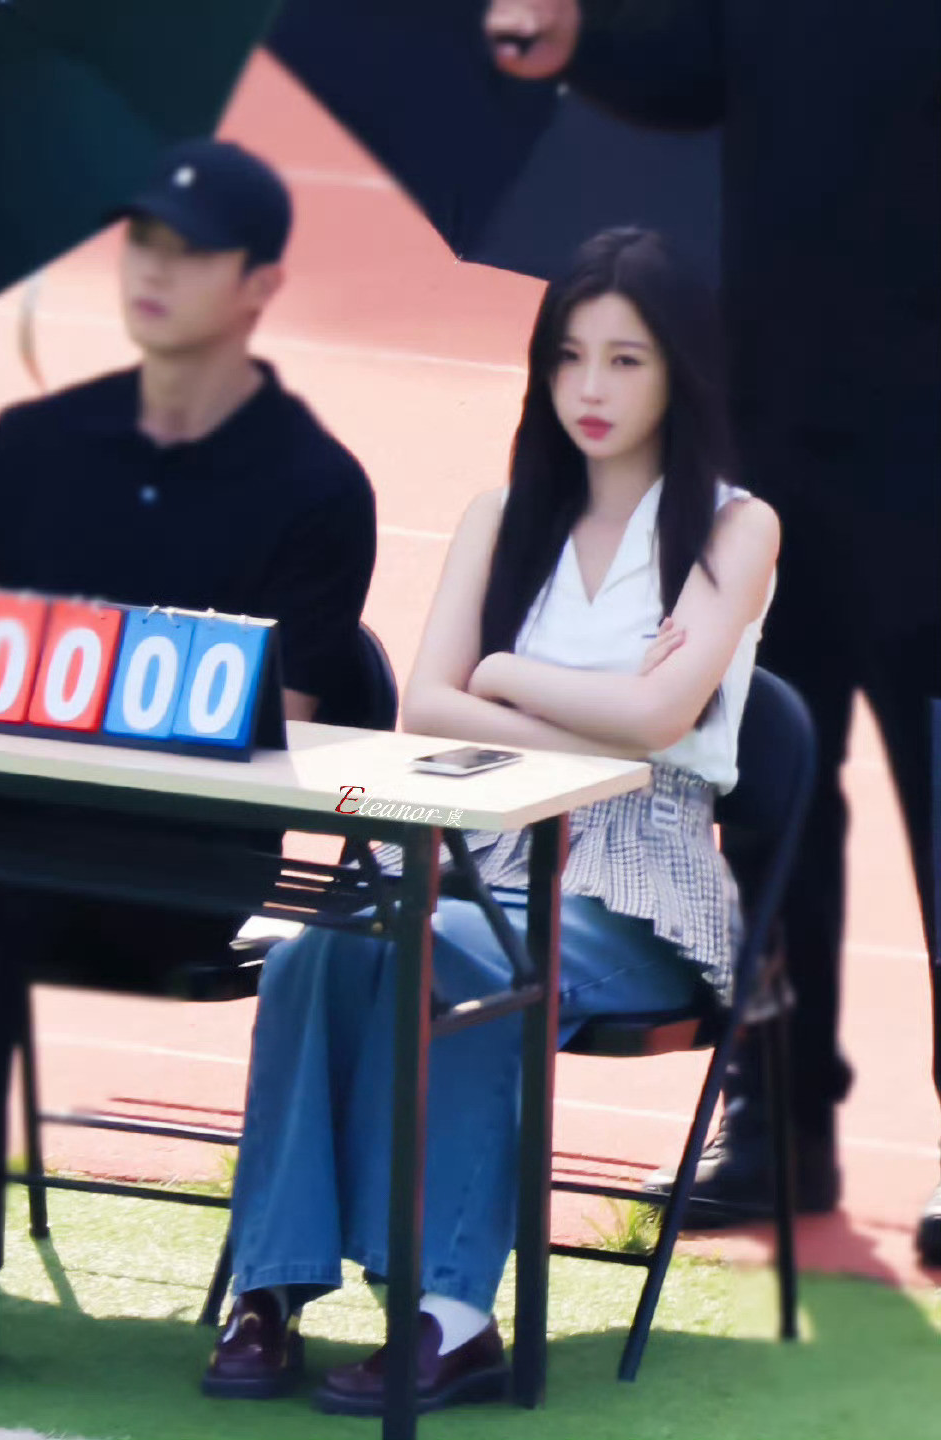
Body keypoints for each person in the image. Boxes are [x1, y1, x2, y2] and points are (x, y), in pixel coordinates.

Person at [197, 228, 779, 1416]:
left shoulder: (734, 527)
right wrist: (584, 709)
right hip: (473, 846)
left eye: (625, 359)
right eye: (569, 356)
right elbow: (427, 703)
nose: (591, 387)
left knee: (462, 959)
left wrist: (505, 676)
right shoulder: (501, 514)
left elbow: (658, 723)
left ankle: (453, 1318)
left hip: (637, 885)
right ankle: (269, 1287)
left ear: (680, 373)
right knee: (315, 952)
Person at [0, 137, 377, 1384]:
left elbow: (280, 723)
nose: (152, 269)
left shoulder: (318, 485)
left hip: (183, 860)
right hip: (0, 833)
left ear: (260, 286)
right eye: (142, 242)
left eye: (189, 252)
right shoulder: (32, 444)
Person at [484, 0, 941, 1250]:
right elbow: (692, 63)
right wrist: (581, 41)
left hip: (932, 458)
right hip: (779, 439)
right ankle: (779, 1125)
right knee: (768, 798)